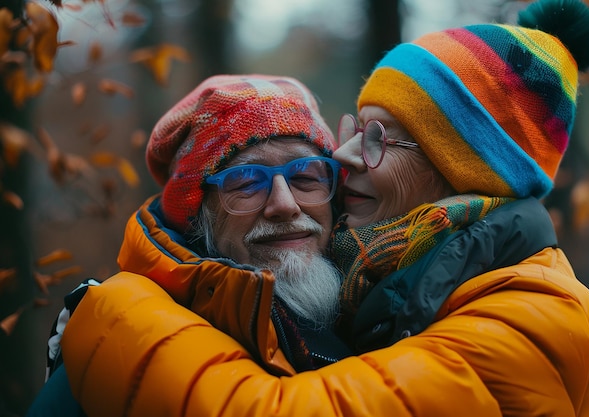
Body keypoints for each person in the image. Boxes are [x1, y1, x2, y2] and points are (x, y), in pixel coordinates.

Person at [57, 0, 589, 415]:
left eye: (380, 137)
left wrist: (114, 318)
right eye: (247, 182)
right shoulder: (385, 289)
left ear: (459, 172)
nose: (345, 153)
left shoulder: (534, 311)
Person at [26, 74, 352, 416]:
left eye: (305, 177)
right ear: (197, 216)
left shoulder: (376, 297)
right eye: (246, 182)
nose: (285, 204)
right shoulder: (121, 340)